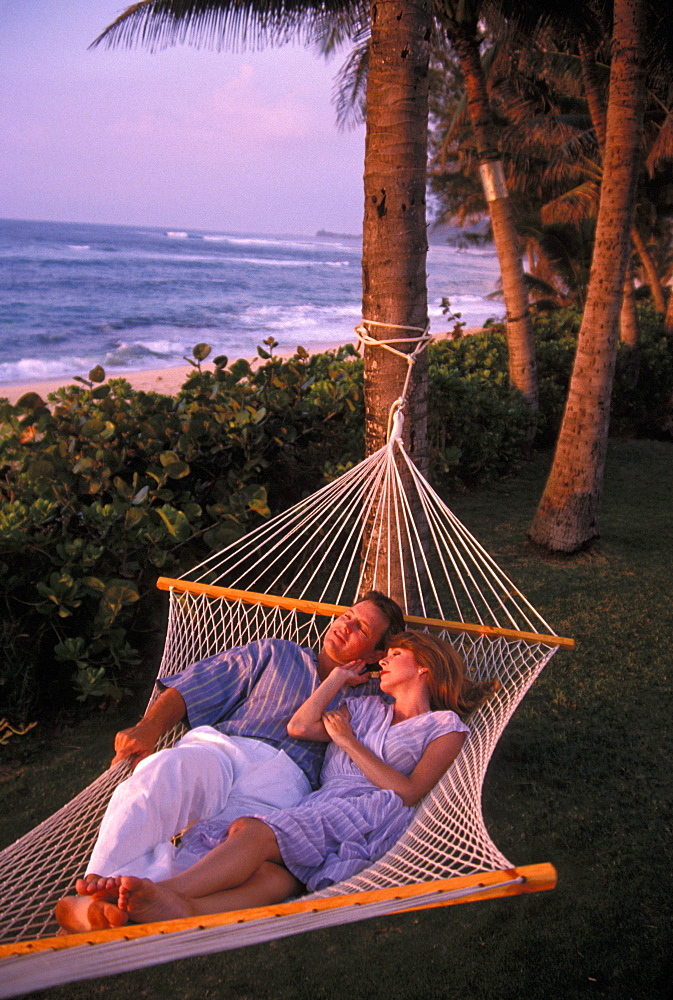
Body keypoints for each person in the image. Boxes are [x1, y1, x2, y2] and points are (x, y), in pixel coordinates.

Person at [56, 631, 497, 931]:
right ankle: (181, 908)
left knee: (252, 831)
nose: (383, 660)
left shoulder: (445, 726)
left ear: (425, 668)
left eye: (394, 655)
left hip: (368, 809)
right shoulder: (364, 709)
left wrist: (348, 742)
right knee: (275, 877)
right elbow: (301, 727)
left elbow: (409, 792)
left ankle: (155, 894)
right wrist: (339, 679)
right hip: (322, 804)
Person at [72, 591, 405, 891]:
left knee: (223, 846)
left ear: (377, 654)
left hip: (287, 783)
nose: (345, 626)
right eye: (347, 615)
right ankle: (99, 880)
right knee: (162, 769)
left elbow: (427, 692)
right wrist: (149, 727)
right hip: (225, 749)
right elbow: (194, 686)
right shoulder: (275, 653)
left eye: (361, 628)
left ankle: (135, 895)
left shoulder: (376, 697)